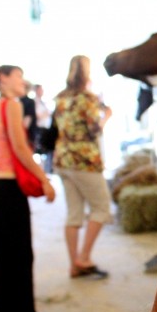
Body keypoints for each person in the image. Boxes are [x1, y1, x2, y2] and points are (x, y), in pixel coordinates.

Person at [0, 65, 57, 312]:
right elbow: (20, 147)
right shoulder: (11, 105)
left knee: (2, 253)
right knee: (20, 255)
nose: (22, 80)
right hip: (8, 186)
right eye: (17, 75)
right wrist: (44, 178)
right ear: (3, 79)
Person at [53, 55, 113, 279]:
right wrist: (107, 116)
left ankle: (74, 265)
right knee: (101, 209)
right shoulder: (88, 99)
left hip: (63, 159)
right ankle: (84, 258)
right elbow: (93, 131)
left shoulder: (60, 98)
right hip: (84, 161)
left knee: (74, 214)